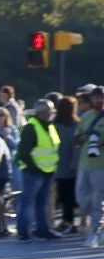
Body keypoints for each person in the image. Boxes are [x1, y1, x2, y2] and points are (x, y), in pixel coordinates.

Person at [16, 99, 60, 242]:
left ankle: (43, 229)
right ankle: (24, 231)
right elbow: (24, 151)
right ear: (43, 113)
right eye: (50, 111)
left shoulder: (49, 126)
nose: (52, 113)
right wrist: (34, 168)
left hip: (48, 170)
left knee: (42, 202)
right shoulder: (31, 128)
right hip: (34, 171)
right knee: (27, 201)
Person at [74, 84, 104, 246]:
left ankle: (94, 232)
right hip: (85, 163)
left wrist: (100, 142)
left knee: (98, 198)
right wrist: (85, 137)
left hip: (101, 165)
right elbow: (76, 139)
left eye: (101, 97)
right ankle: (99, 221)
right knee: (82, 199)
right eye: (96, 97)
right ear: (91, 99)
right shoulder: (86, 116)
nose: (99, 100)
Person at [52, 94, 80, 233]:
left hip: (60, 165)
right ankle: (70, 220)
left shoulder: (55, 126)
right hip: (74, 164)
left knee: (64, 195)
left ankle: (67, 220)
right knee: (72, 194)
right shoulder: (77, 125)